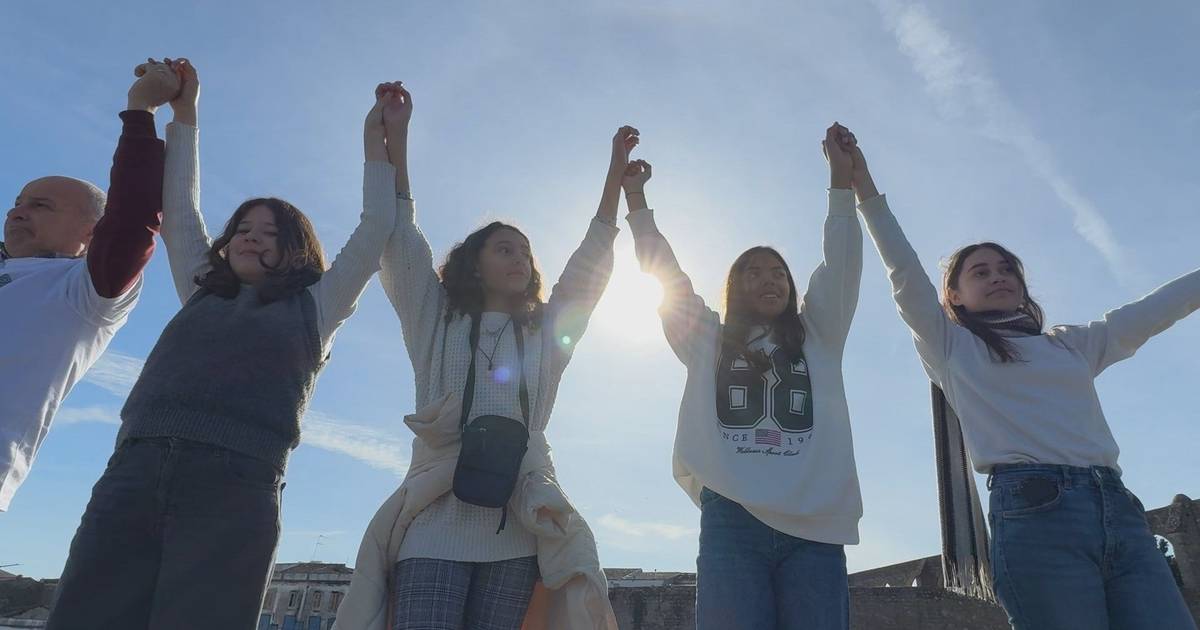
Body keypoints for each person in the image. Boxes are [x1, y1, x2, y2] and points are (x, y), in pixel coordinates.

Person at [46, 61, 404, 629]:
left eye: (269, 233)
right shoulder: (201, 288)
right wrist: (185, 112)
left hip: (236, 486)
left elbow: (375, 227)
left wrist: (375, 139)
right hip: (132, 473)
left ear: (297, 252)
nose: (249, 237)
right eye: (242, 228)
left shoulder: (315, 305)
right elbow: (181, 207)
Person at [855, 130, 1199, 629]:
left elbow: (1153, 311)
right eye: (980, 272)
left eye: (1006, 269)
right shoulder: (953, 348)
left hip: (1119, 510)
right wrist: (864, 188)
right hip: (1037, 517)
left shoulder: (1070, 344)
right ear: (954, 296)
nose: (997, 276)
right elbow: (904, 273)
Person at [336, 117, 634, 630]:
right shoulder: (436, 319)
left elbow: (589, 268)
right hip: (432, 528)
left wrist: (615, 181)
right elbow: (403, 243)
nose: (520, 258)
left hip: (515, 532)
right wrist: (395, 149)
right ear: (474, 264)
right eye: (504, 249)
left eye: (524, 252)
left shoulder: (544, 335)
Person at [625, 124, 867, 629]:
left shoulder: (819, 335)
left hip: (815, 523)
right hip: (732, 515)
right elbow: (668, 279)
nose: (769, 278)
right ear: (734, 286)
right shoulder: (707, 340)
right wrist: (637, 204)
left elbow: (840, 265)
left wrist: (840, 185)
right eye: (753, 271)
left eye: (778, 271)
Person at [0, 58, 174, 513]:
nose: (17, 212)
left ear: (92, 234)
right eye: (17, 203)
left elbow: (133, 216)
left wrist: (141, 111)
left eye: (41, 206)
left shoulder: (82, 292)